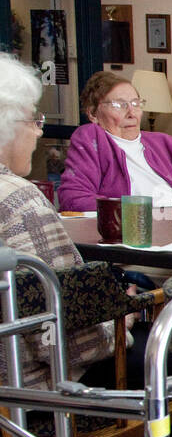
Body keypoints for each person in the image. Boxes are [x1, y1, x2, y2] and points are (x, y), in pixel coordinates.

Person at [0, 54, 113, 385]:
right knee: (169, 360)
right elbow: (69, 342)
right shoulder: (19, 201)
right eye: (33, 120)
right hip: (28, 400)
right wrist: (119, 322)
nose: (38, 133)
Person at [57, 70, 172, 212]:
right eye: (119, 105)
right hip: (138, 229)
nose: (132, 113)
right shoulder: (91, 138)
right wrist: (133, 213)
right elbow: (73, 198)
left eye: (136, 104)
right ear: (93, 114)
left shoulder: (164, 143)